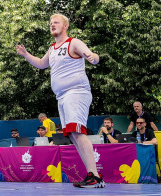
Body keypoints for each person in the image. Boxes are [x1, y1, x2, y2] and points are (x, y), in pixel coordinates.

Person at [17, 13, 103, 188]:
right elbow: (41, 64)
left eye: (56, 22)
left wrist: (93, 57)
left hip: (76, 92)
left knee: (78, 132)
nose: (52, 24)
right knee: (72, 135)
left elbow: (92, 54)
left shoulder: (74, 42)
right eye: (50, 23)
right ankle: (92, 175)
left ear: (65, 26)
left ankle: (95, 176)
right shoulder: (53, 48)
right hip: (62, 96)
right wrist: (26, 55)